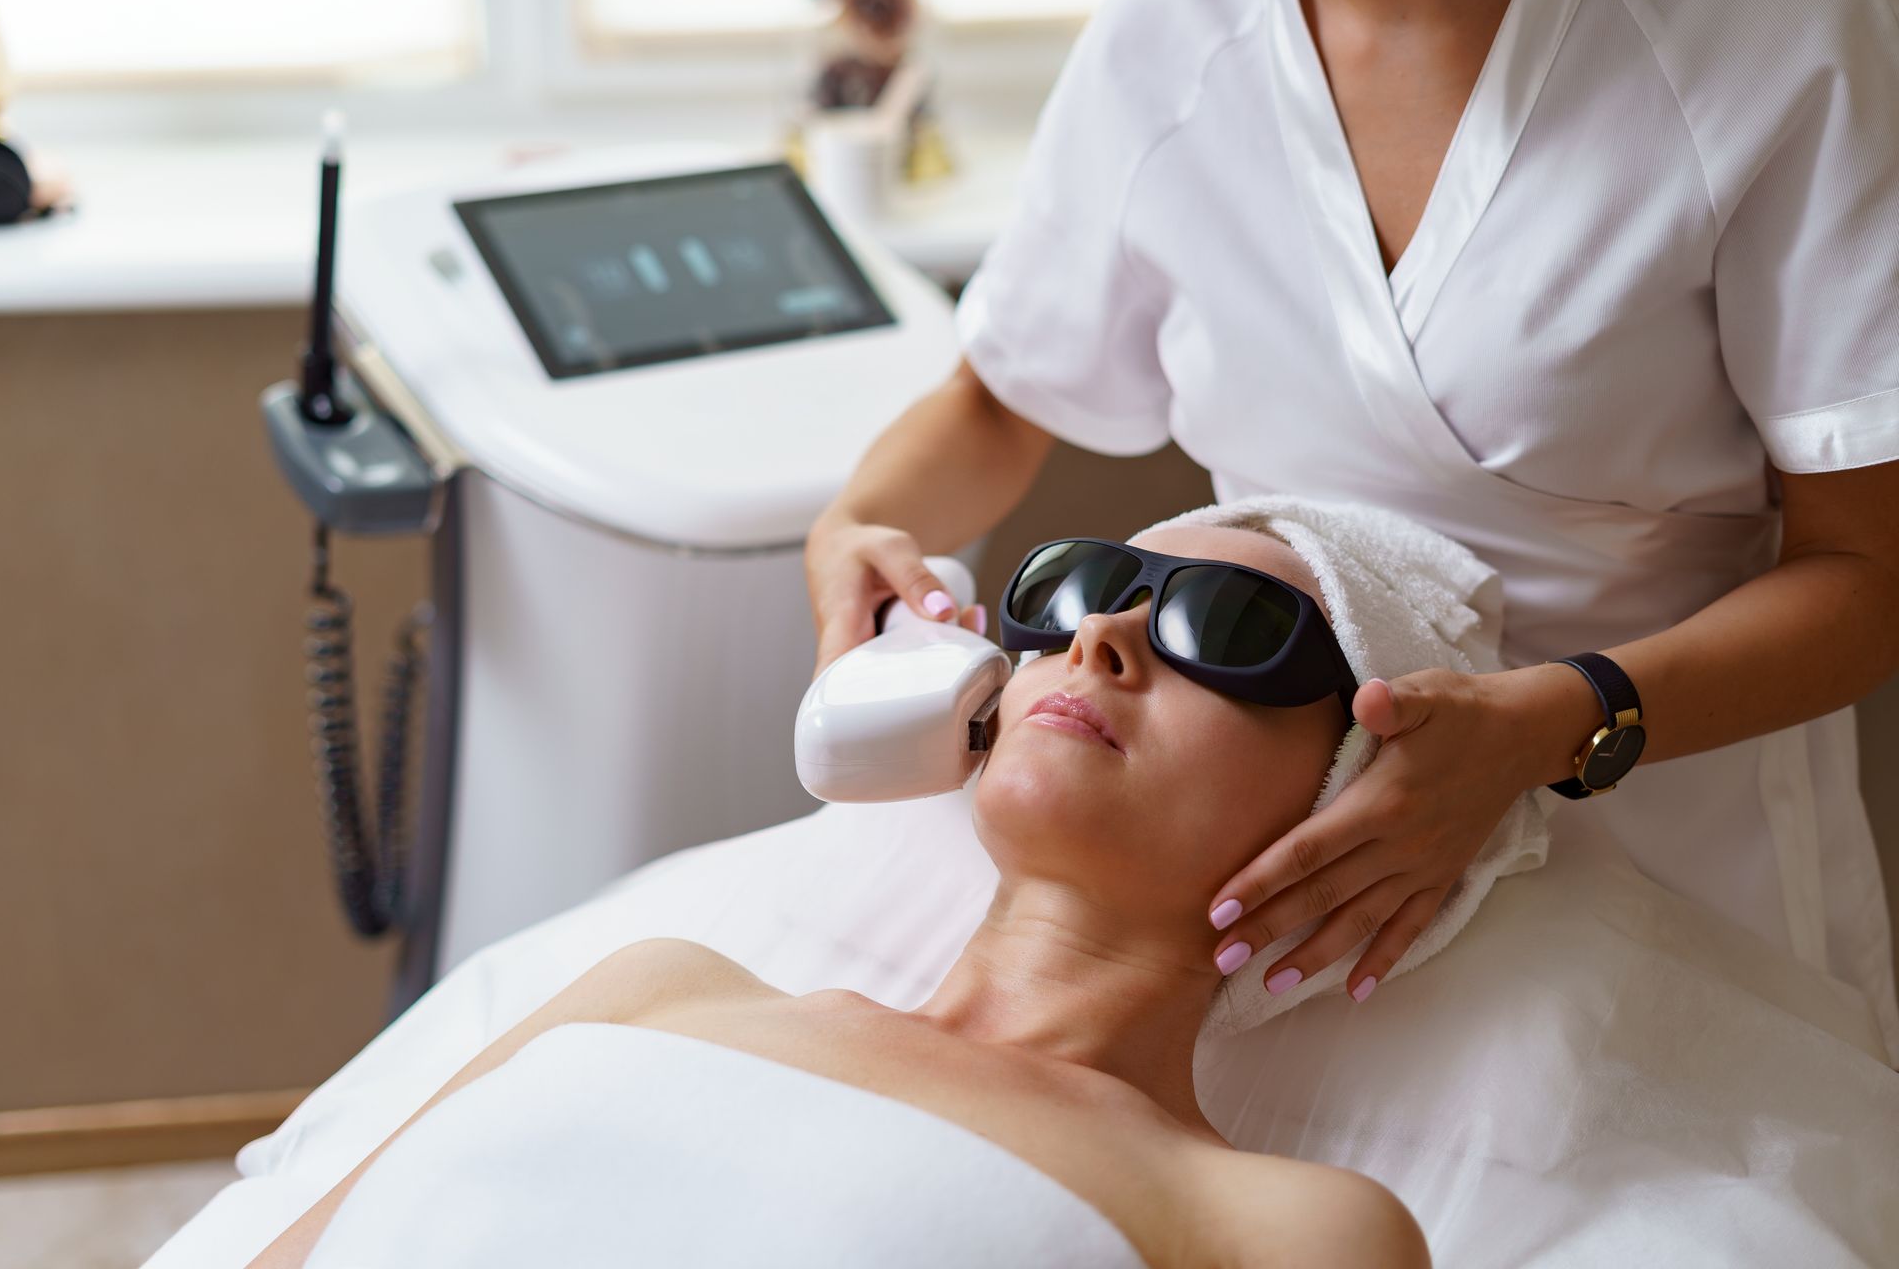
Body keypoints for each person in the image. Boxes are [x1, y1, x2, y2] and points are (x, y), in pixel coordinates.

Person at [805, 0, 1899, 1054]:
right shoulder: (1170, 32)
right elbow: (999, 399)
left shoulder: (1782, 32)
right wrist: (860, 519)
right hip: (1264, 871)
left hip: (1651, 814)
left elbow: (1867, 570)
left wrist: (1549, 725)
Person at [246, 522, 1429, 1269]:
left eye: (1226, 626)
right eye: (1077, 588)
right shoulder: (660, 982)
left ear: (1355, 795)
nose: (1104, 636)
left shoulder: (1284, 1229)